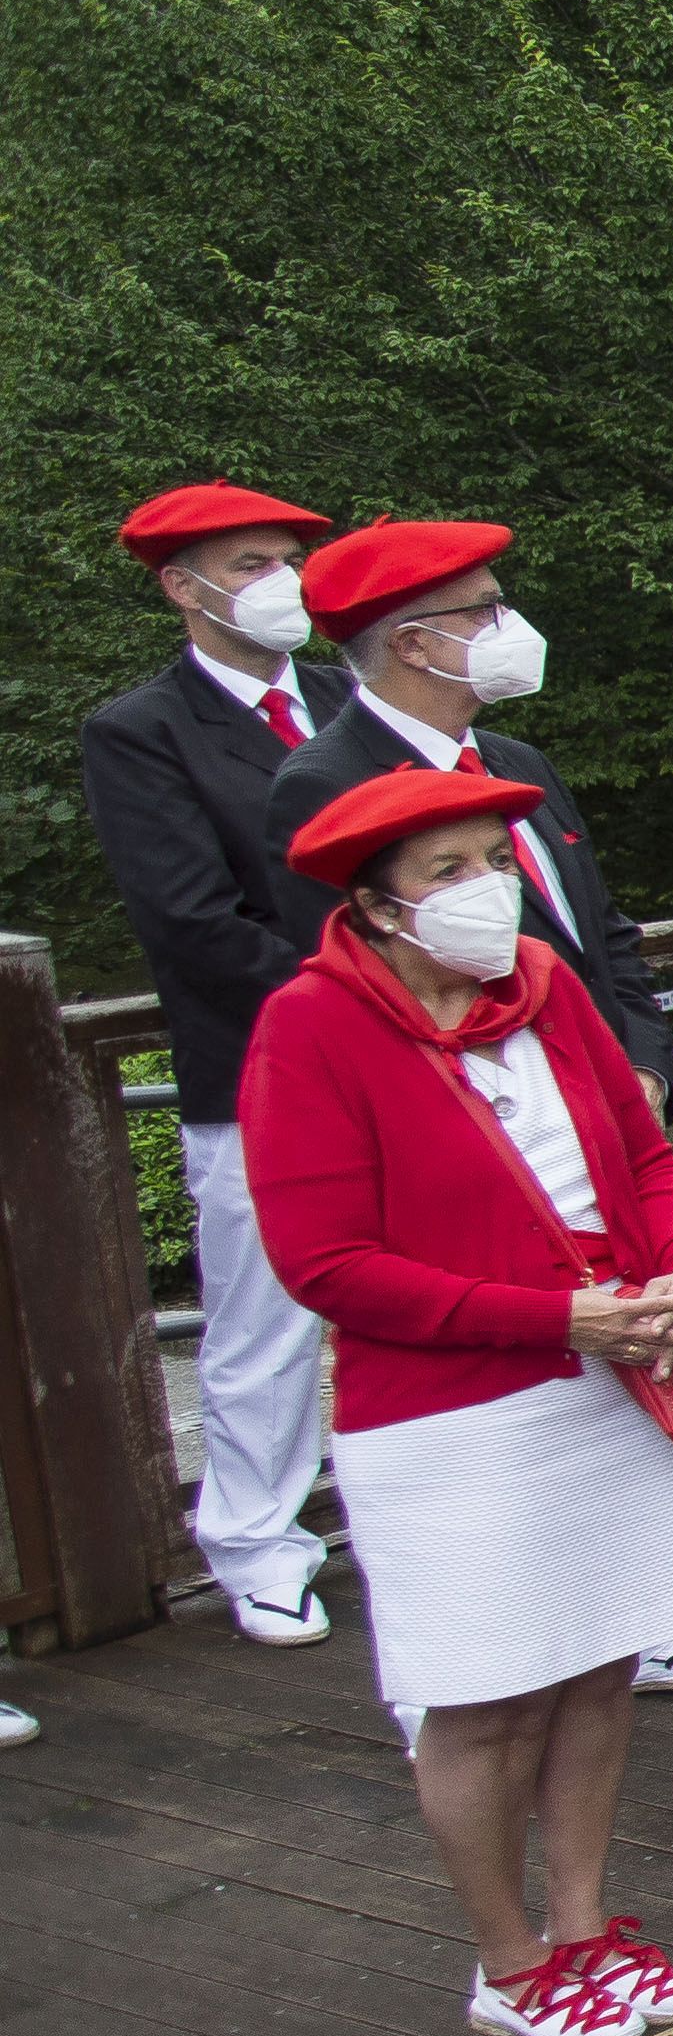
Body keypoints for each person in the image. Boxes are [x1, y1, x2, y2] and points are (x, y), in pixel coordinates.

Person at [243, 767, 673, 2036]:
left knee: (598, 1662)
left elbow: (642, 1156)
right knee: (485, 1694)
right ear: (373, 908)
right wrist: (555, 1318)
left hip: (613, 1371)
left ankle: (581, 1925)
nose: (491, 888)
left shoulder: (544, 982)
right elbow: (325, 1262)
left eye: (495, 856)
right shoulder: (309, 1026)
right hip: (453, 1408)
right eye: (449, 870)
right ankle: (508, 1961)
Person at [80, 482, 355, 1650]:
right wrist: (362, 999)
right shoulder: (139, 730)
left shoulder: (352, 699)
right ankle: (256, 1540)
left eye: (288, 557)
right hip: (261, 1065)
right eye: (250, 563)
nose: (281, 582)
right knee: (266, 1312)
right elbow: (191, 920)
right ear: (182, 589)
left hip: (422, 1050)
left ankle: (413, 1504)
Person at [266, 518, 673, 1086]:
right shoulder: (328, 783)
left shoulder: (520, 763)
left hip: (605, 1087)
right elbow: (366, 990)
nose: (510, 626)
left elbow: (602, 935)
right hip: (488, 1103)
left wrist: (648, 1068)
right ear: (413, 645)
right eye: (486, 609)